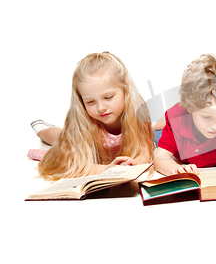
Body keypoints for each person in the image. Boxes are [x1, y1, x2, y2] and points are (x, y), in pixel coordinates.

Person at [32, 52, 155, 180]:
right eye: (91, 102)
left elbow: (144, 155)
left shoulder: (138, 114)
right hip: (75, 136)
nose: (101, 108)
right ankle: (41, 129)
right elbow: (70, 164)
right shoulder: (82, 121)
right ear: (82, 101)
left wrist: (130, 165)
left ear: (126, 90)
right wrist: (106, 169)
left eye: (108, 97)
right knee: (57, 136)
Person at [153, 54, 216, 177]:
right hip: (178, 122)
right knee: (155, 133)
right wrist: (176, 169)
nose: (215, 126)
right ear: (190, 107)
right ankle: (154, 125)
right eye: (206, 117)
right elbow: (160, 158)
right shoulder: (178, 118)